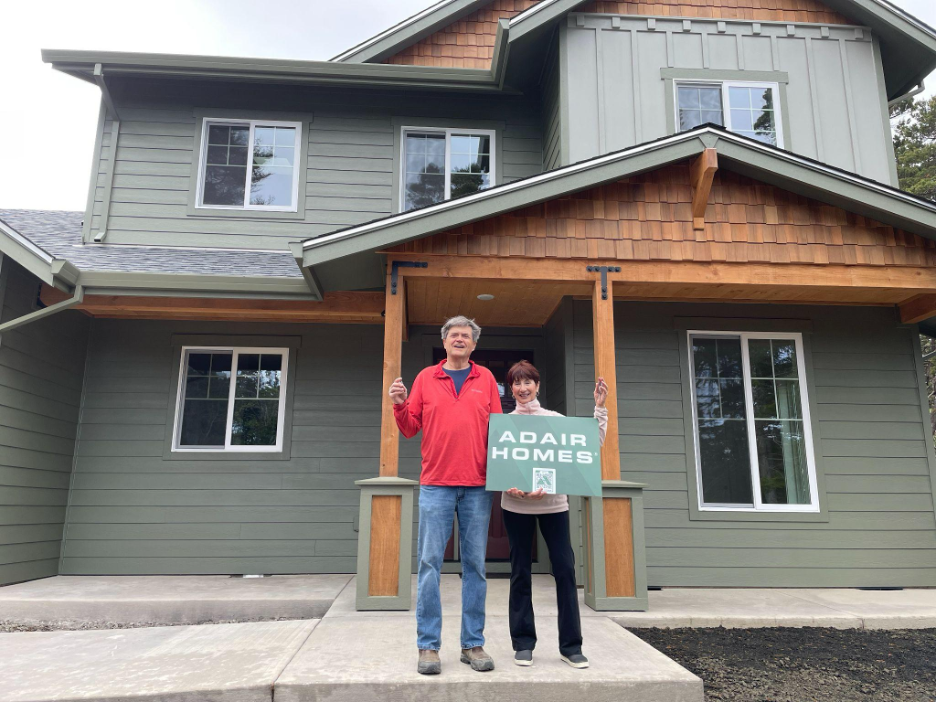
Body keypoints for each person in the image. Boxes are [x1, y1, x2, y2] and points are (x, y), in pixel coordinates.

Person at [389, 315, 503, 676]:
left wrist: (507, 474)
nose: (459, 339)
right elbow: (409, 429)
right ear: (444, 341)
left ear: (473, 345)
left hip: (477, 486)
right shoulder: (426, 377)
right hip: (435, 484)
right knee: (429, 565)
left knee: (475, 568)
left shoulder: (485, 379)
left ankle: (472, 644)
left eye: (465, 336)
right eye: (453, 335)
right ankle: (428, 647)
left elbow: (500, 432)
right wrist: (399, 403)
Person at [501, 360, 608, 669]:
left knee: (564, 570)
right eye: (516, 384)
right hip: (515, 506)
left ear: (537, 385)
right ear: (511, 389)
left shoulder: (555, 420)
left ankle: (571, 646)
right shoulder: (504, 424)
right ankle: (523, 643)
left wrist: (599, 408)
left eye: (527, 382)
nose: (522, 389)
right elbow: (498, 462)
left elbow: (589, 445)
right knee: (520, 571)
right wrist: (510, 487)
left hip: (554, 506)